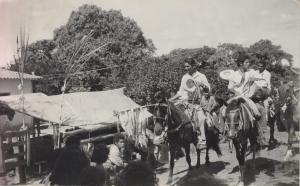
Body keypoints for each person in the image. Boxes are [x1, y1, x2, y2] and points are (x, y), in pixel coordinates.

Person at [169, 57, 211, 146]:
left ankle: (203, 139)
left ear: (193, 66)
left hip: (198, 102)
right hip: (186, 102)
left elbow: (208, 90)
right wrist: (171, 99)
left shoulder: (201, 76)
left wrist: (202, 85)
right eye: (185, 67)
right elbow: (181, 92)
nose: (186, 68)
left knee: (202, 118)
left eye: (188, 66)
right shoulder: (184, 77)